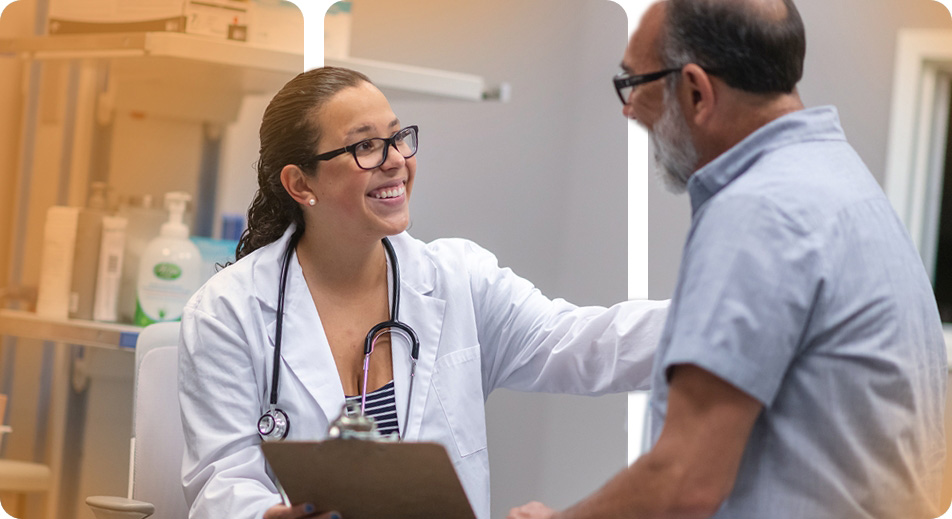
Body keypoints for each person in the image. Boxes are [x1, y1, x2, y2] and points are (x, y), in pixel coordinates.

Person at [509, 0, 947, 518]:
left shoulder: (756, 211)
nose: (628, 110)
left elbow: (685, 483)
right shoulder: (845, 183)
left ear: (696, 90)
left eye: (634, 84)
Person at [177, 66, 669, 519]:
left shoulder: (459, 280)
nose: (395, 162)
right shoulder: (228, 310)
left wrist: (725, 313)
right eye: (365, 147)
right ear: (301, 183)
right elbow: (221, 482)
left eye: (398, 138)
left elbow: (584, 343)